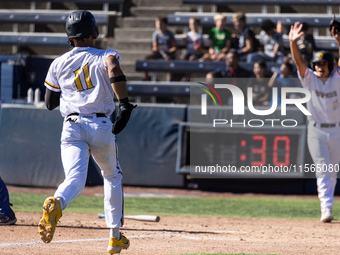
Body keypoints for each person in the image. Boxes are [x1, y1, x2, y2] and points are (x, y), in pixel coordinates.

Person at [39, 10, 136, 254]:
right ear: (95, 32)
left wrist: (72, 94)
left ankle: (57, 202)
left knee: (74, 180)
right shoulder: (106, 54)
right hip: (100, 124)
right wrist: (124, 103)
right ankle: (115, 236)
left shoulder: (58, 62)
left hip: (71, 125)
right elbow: (112, 66)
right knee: (111, 176)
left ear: (69, 37)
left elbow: (50, 103)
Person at [290, 21, 340, 223]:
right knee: (322, 169)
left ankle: (328, 205)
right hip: (316, 130)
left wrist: (338, 39)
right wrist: (293, 43)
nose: (320, 67)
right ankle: (325, 209)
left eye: (324, 64)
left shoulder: (337, 78)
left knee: (333, 171)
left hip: (336, 130)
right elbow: (299, 62)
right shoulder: (309, 78)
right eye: (317, 64)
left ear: (329, 66)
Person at [143, 16, 177, 81]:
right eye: (157, 24)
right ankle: (146, 77)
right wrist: (156, 50)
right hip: (159, 53)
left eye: (161, 24)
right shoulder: (156, 34)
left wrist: (169, 51)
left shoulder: (170, 34)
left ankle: (170, 78)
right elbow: (154, 46)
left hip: (168, 54)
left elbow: (174, 47)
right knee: (146, 58)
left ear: (165, 24)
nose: (159, 26)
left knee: (168, 59)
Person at [180, 17, 204, 81]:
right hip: (188, 52)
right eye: (191, 24)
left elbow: (201, 47)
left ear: (198, 25)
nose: (193, 26)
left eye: (195, 24)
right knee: (182, 58)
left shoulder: (200, 36)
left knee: (192, 58)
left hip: (196, 54)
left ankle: (188, 76)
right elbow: (186, 45)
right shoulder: (187, 35)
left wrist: (198, 48)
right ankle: (185, 75)